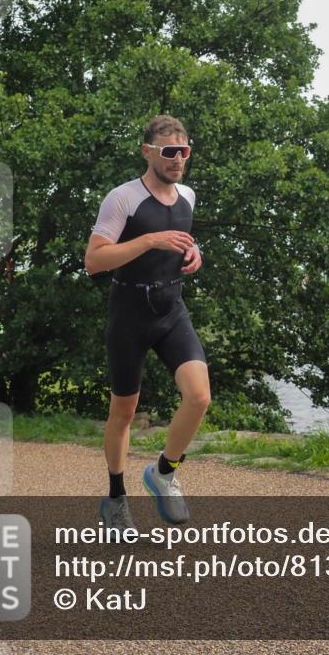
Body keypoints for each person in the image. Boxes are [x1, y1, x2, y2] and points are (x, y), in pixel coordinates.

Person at [84, 115, 209, 534]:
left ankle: (164, 472)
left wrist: (194, 253)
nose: (178, 160)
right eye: (169, 152)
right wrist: (149, 242)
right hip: (130, 313)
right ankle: (116, 498)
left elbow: (179, 237)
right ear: (147, 153)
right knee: (123, 411)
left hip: (171, 308)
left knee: (199, 397)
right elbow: (94, 261)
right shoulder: (122, 199)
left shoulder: (188, 195)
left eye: (184, 151)